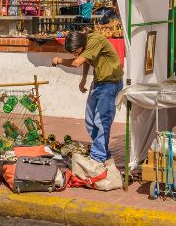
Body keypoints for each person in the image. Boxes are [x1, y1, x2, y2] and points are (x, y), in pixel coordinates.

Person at [52, 29, 123, 164]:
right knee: (90, 120)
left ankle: (98, 157)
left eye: (75, 51)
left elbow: (77, 62)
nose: (74, 54)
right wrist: (84, 79)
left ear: (81, 44)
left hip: (110, 83)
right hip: (98, 82)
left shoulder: (94, 41)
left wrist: (59, 60)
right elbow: (85, 60)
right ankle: (103, 151)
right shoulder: (85, 44)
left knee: (101, 121)